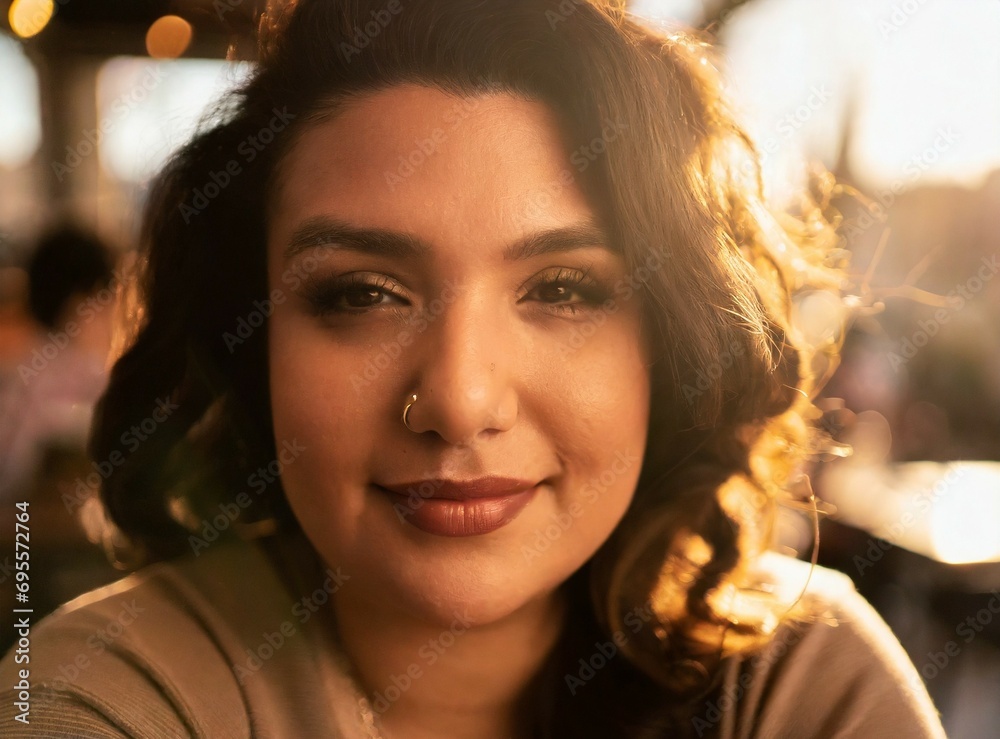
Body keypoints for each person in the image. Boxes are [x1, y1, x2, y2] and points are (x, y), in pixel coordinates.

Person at [0, 1, 947, 737]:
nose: (458, 400)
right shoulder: (103, 692)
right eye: (363, 293)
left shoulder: (797, 684)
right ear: (256, 343)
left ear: (672, 340)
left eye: (565, 289)